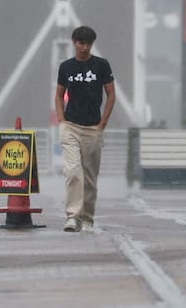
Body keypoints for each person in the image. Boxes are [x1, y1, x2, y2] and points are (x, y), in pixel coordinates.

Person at [55, 25, 116, 232]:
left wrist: (102, 124)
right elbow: (59, 94)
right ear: (74, 42)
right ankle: (72, 216)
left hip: (93, 128)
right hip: (71, 126)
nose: (85, 47)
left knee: (89, 177)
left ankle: (87, 218)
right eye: (81, 42)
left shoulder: (101, 65)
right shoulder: (66, 67)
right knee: (73, 172)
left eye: (88, 43)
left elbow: (111, 95)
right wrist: (61, 120)